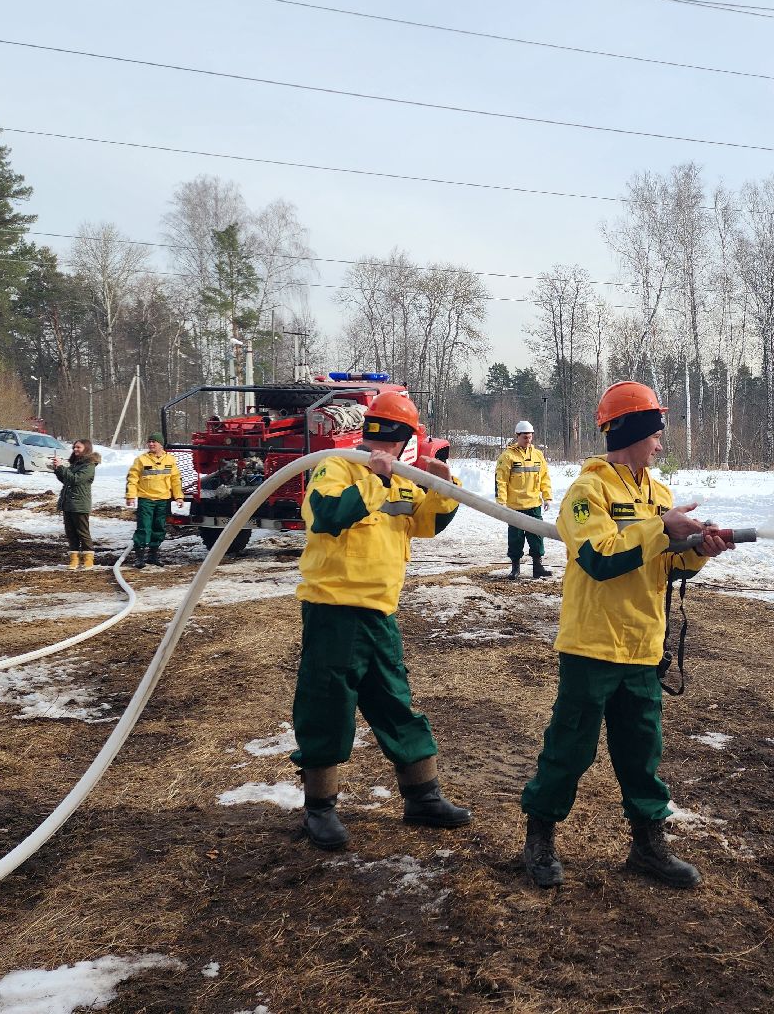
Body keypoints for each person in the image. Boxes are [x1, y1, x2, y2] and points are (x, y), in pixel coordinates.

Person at [520, 381, 732, 890]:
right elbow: (599, 558)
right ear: (633, 431)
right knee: (571, 748)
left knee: (642, 750)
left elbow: (667, 565)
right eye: (655, 431)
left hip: (642, 645)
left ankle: (647, 844)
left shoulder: (658, 494)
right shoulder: (587, 492)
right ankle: (540, 837)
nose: (660, 442)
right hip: (592, 644)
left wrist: (699, 548)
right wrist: (663, 528)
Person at [291, 389, 470, 851]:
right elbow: (327, 516)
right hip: (334, 609)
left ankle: (422, 796)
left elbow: (425, 525)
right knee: (327, 704)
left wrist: (442, 489)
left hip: (379, 613)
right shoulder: (338, 466)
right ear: (401, 434)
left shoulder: (404, 478)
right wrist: (374, 479)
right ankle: (320, 808)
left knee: (395, 702)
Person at [495, 419, 554, 580]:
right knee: (516, 538)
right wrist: (501, 503)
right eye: (524, 437)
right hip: (515, 506)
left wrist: (547, 496)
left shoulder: (537, 455)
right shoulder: (508, 456)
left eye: (530, 436)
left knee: (536, 537)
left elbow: (544, 477)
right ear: (517, 436)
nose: (528, 439)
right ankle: (515, 568)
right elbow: (501, 481)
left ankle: (537, 567)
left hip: (534, 505)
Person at [125, 433, 184, 569]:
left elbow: (175, 480)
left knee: (159, 528)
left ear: (161, 444)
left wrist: (178, 496)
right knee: (144, 527)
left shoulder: (170, 460)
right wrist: (130, 496)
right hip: (146, 499)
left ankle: (153, 555)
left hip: (163, 500)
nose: (151, 444)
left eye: (154, 442)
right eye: (149, 442)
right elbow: (132, 479)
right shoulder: (141, 460)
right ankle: (140, 557)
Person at [51, 439, 100, 570]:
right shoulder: (75, 464)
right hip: (68, 503)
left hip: (80, 504)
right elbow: (66, 480)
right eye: (74, 447)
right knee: (71, 532)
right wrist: (57, 469)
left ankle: (88, 559)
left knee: (82, 532)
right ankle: (74, 559)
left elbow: (75, 479)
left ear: (86, 448)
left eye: (78, 447)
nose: (75, 450)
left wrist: (62, 467)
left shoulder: (89, 465)